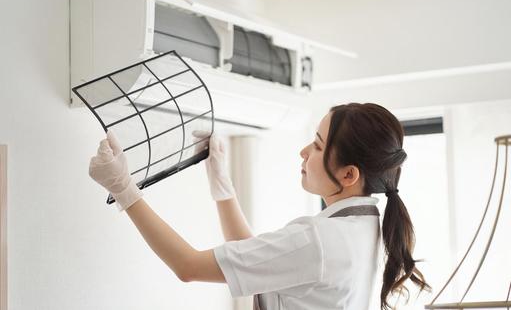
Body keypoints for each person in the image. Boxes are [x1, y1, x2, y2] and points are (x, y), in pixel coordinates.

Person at [89, 102, 431, 310]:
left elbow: (188, 266)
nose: (303, 152)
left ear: (348, 174)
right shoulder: (364, 227)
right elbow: (259, 261)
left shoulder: (320, 240)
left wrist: (124, 188)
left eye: (316, 145)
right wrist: (223, 187)